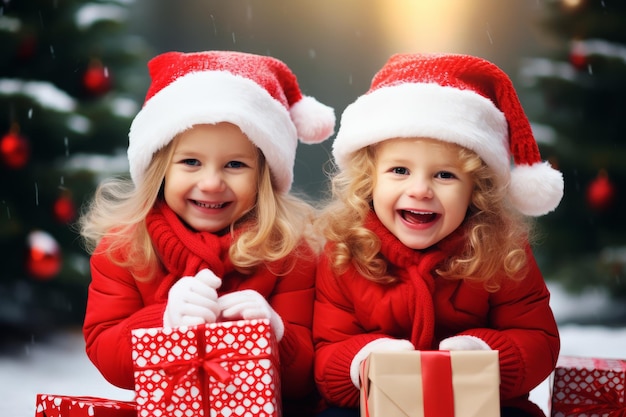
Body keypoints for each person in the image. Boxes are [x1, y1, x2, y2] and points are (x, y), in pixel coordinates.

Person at [79, 50, 335, 416]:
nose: (211, 183)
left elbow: (307, 377)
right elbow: (107, 353)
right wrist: (163, 320)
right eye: (191, 162)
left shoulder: (290, 252)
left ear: (264, 177)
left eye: (235, 164)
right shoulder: (126, 247)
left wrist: (275, 334)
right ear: (160, 169)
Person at [313, 53, 564, 417]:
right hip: (375, 404)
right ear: (369, 181)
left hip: (479, 405)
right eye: (399, 170)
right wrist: (363, 360)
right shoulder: (344, 250)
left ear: (476, 191)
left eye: (445, 175)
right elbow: (327, 351)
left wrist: (487, 356)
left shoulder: (501, 251)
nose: (420, 190)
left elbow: (537, 339)